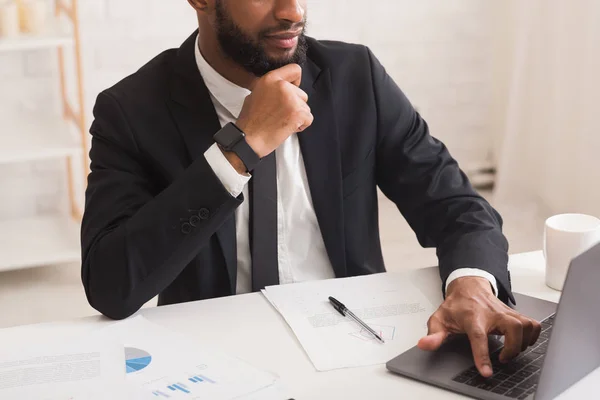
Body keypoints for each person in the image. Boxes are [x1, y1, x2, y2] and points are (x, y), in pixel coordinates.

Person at [81, 0, 541, 378]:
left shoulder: (355, 76)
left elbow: (456, 204)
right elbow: (111, 286)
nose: (293, 11)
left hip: (357, 345)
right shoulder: (131, 110)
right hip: (214, 362)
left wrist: (472, 283)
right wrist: (240, 148)